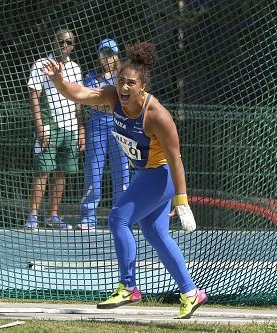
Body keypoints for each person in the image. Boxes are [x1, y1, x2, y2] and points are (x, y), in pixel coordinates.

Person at [42, 41, 207, 319]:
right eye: (121, 81)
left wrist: (182, 200)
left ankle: (129, 287)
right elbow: (80, 93)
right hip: (145, 174)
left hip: (161, 176)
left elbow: (176, 159)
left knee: (118, 218)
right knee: (156, 234)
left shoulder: (157, 116)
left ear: (142, 86)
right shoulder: (113, 97)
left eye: (131, 83)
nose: (124, 87)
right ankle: (191, 294)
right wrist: (59, 81)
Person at [24, 27, 84, 230]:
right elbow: (33, 96)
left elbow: (79, 100)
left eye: (69, 43)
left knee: (62, 172)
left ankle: (53, 216)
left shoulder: (76, 68)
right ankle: (32, 216)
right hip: (50, 126)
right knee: (43, 170)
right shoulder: (42, 64)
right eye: (62, 42)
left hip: (71, 128)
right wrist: (40, 126)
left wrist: (81, 129)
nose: (65, 46)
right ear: (54, 42)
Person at [77, 38, 130, 231]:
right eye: (104, 53)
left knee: (122, 173)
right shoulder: (92, 76)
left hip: (119, 126)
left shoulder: (123, 77)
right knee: (93, 171)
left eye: (111, 53)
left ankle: (121, 217)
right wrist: (108, 103)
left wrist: (106, 103)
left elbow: (122, 102)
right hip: (96, 126)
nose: (107, 57)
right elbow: (91, 102)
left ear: (117, 56)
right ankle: (88, 218)